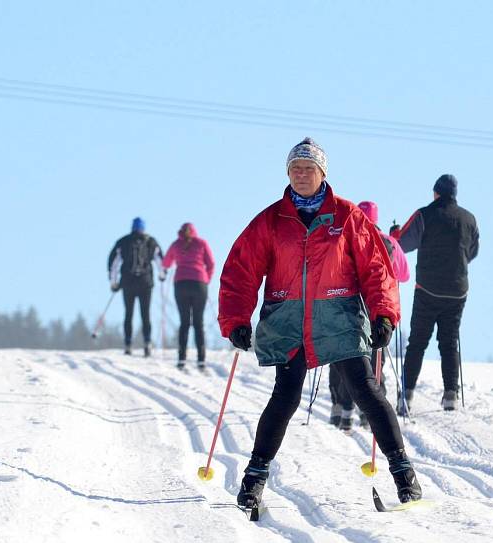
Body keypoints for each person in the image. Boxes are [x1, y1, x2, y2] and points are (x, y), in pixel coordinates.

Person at [218, 137, 422, 508]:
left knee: (366, 391)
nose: (301, 175)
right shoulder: (271, 221)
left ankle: (404, 474)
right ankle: (254, 479)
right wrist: (236, 319)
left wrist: (383, 314)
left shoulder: (347, 217)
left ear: (323, 173)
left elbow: (377, 269)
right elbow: (240, 270)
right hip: (288, 321)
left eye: (308, 169)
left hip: (339, 319)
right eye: (295, 169)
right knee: (286, 396)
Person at [391, 174, 479, 411]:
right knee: (449, 342)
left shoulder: (424, 215)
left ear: (436, 192)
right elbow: (472, 252)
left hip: (428, 289)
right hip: (457, 290)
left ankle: (406, 395)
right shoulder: (469, 219)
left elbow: (402, 243)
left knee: (418, 342)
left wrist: (394, 233)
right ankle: (451, 394)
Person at [329, 200, 410, 431]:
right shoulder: (388, 241)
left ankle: (342, 409)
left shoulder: (344, 236)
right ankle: (370, 413)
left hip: (350, 305)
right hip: (378, 308)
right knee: (375, 358)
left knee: (345, 355)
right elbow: (403, 275)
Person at [108, 217, 165, 356]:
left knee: (128, 314)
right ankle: (147, 343)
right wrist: (161, 275)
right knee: (145, 314)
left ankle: (128, 343)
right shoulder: (150, 241)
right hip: (146, 283)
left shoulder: (123, 242)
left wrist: (114, 282)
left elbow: (113, 264)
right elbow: (159, 260)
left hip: (128, 283)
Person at [162, 223, 215, 370]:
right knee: (198, 322)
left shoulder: (176, 244)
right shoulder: (201, 243)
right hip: (199, 284)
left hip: (181, 284)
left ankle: (181, 359)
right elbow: (211, 264)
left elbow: (166, 263)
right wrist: (206, 279)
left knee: (184, 322)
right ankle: (201, 359)